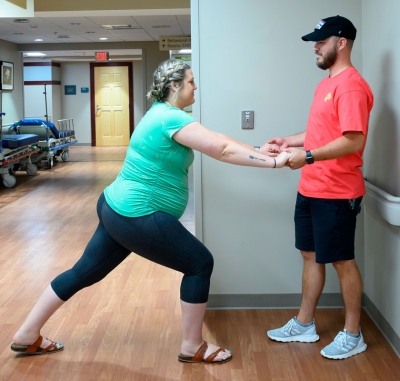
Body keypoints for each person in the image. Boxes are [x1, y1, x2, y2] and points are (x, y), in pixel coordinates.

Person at [11, 59, 290, 363]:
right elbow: (220, 150)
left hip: (116, 206)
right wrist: (273, 163)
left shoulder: (164, 115)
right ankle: (192, 346)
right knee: (199, 264)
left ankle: (26, 335)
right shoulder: (168, 118)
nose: (196, 86)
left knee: (83, 272)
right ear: (175, 85)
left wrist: (257, 148)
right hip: (136, 212)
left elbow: (220, 140)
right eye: (192, 81)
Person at [263, 16, 374, 360]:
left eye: (322, 40)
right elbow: (322, 133)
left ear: (341, 43)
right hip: (311, 188)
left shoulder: (351, 86)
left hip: (338, 192)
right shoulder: (327, 84)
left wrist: (307, 155)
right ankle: (305, 323)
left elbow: (353, 140)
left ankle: (353, 334)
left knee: (342, 260)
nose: (315, 45)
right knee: (310, 256)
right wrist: (289, 141)